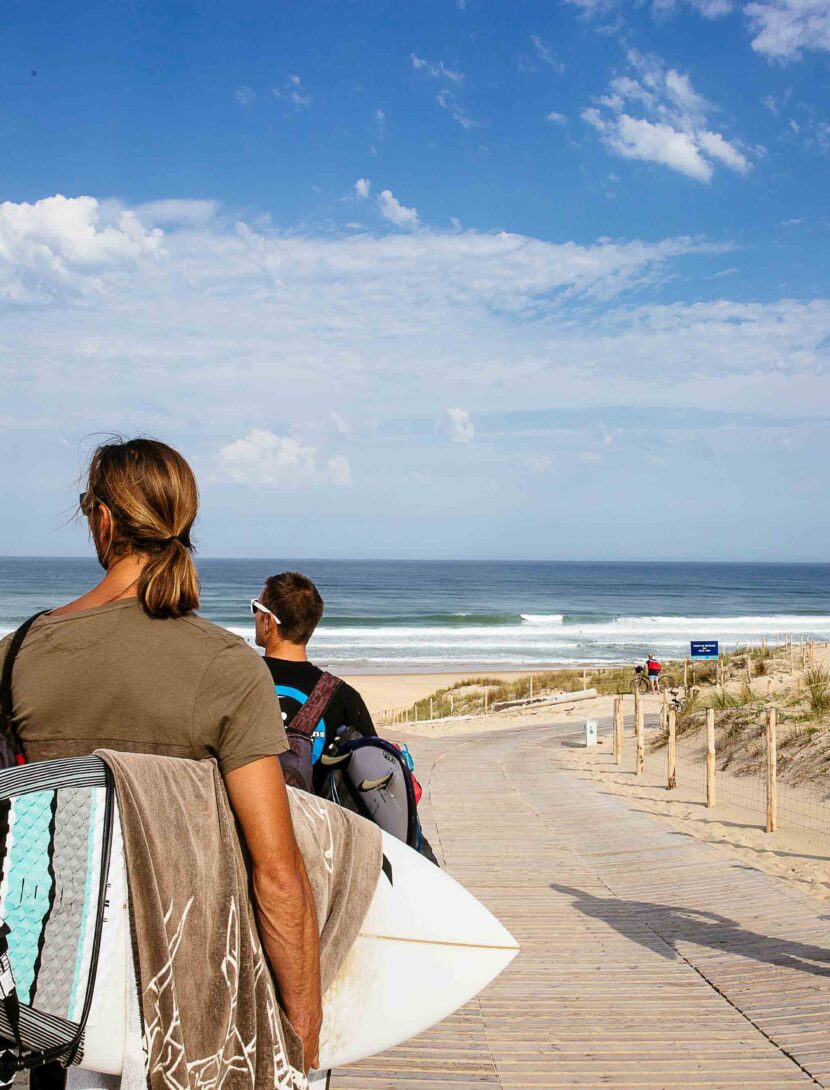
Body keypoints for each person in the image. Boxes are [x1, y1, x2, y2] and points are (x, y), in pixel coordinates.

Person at [0, 438, 322, 1072]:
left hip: (47, 995)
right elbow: (277, 872)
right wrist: (304, 1039)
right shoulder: (229, 668)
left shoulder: (16, 656)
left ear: (102, 520)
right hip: (189, 991)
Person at [252, 571, 377, 792]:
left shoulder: (236, 678)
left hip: (244, 822)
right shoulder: (344, 697)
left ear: (269, 621)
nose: (254, 615)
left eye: (256, 608)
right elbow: (372, 777)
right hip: (321, 824)